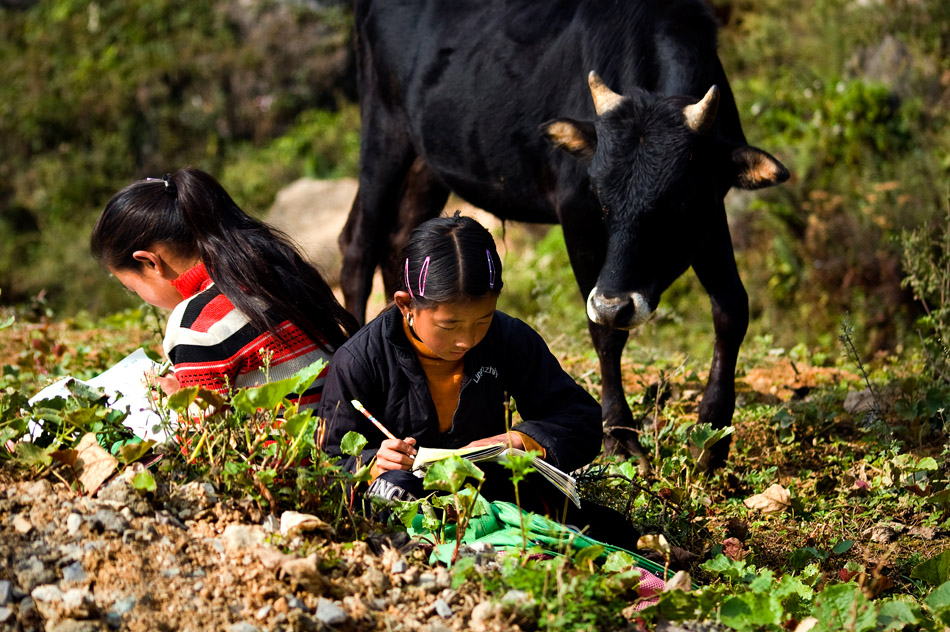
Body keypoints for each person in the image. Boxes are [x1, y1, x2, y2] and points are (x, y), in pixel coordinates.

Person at [320, 213, 635, 544]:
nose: (467, 340)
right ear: (406, 305)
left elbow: (579, 419)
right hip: (411, 501)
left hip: (492, 494)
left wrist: (522, 440)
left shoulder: (506, 337)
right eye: (450, 326)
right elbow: (328, 463)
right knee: (394, 491)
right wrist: (372, 463)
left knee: (614, 531)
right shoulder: (360, 359)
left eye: (482, 320)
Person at [90, 167, 359, 409]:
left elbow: (203, 440)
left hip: (288, 458)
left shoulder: (196, 323)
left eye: (132, 288)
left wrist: (178, 405)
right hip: (342, 435)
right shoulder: (277, 269)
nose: (140, 297)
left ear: (149, 262)